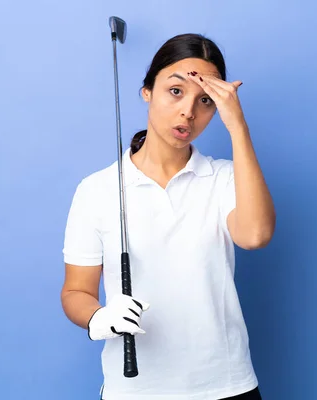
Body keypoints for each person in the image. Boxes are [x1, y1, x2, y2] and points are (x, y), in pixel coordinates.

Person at [61, 33, 275, 400]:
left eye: (205, 100)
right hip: (135, 389)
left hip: (226, 386)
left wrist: (238, 126)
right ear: (147, 91)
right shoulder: (96, 190)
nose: (188, 112)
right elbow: (76, 291)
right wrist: (99, 317)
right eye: (175, 91)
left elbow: (254, 236)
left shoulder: (224, 178)